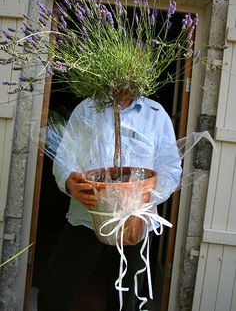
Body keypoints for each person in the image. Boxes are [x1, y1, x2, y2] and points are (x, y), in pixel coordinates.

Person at [37, 94, 182, 311]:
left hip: (135, 223)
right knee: (53, 297)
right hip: (88, 214)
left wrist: (151, 192)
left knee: (125, 304)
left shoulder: (157, 115)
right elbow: (63, 158)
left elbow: (171, 168)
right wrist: (69, 181)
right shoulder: (87, 108)